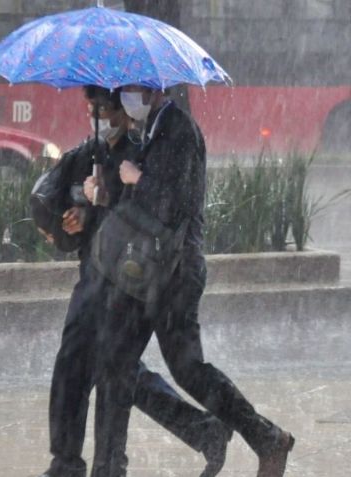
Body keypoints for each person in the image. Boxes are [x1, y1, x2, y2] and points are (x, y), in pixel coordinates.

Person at [89, 85, 295, 477]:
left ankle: (263, 437)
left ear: (152, 89)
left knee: (187, 369)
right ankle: (113, 466)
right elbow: (147, 202)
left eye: (132, 90)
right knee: (115, 362)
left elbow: (172, 202)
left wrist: (135, 179)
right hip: (150, 272)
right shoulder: (152, 129)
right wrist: (109, 189)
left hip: (176, 272)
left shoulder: (179, 129)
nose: (126, 98)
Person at [37, 86, 232, 477]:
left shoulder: (146, 149)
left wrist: (105, 200)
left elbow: (149, 211)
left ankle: (112, 463)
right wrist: (72, 220)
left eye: (109, 109)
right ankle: (69, 462)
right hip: (93, 273)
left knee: (117, 370)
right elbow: (52, 202)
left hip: (127, 276)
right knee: (78, 363)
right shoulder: (87, 154)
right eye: (95, 109)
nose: (104, 118)